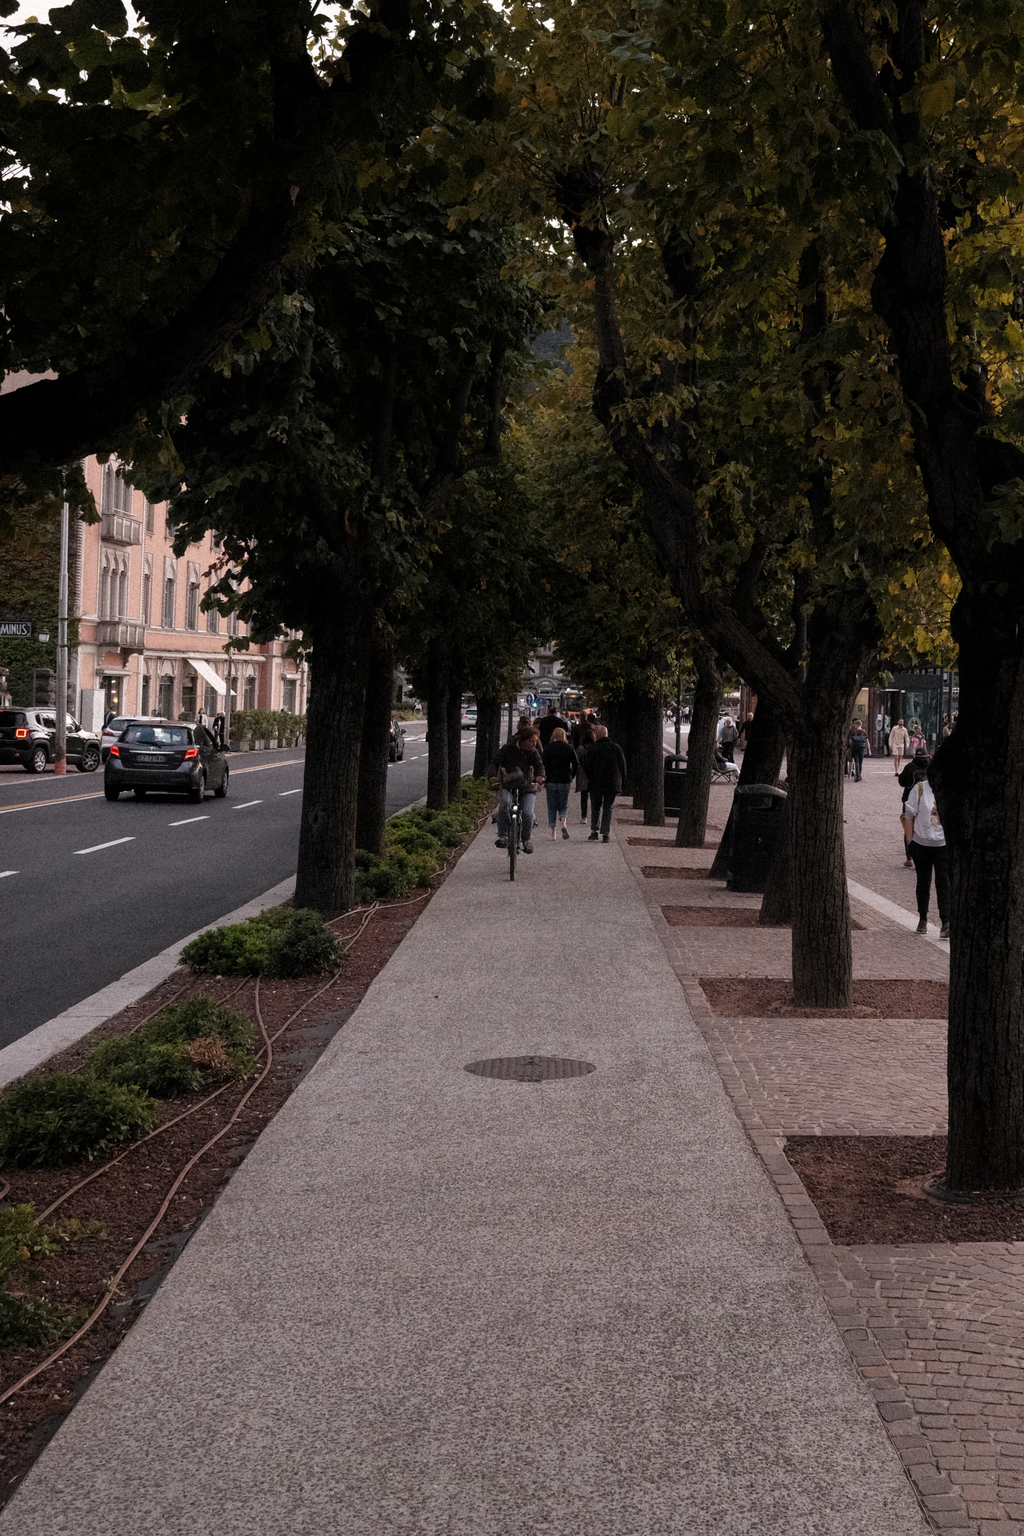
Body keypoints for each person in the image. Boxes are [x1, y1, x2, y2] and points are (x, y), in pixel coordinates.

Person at [902, 761, 950, 938]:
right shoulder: (920, 788)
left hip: (942, 845)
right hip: (921, 844)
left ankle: (946, 921)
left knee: (944, 883)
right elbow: (909, 814)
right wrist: (910, 841)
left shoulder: (948, 790)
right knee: (923, 882)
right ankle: (923, 918)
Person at [495, 725, 545, 854]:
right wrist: (492, 776)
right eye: (531, 741)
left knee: (528, 813)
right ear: (523, 740)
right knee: (505, 804)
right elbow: (495, 763)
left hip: (527, 788)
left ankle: (526, 840)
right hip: (508, 785)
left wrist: (540, 776)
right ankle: (503, 836)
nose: (534, 744)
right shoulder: (507, 749)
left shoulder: (533, 752)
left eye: (535, 741)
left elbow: (539, 765)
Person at [586, 723, 627, 842]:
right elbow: (623, 767)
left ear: (597, 736)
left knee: (595, 806)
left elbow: (587, 766)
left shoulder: (593, 748)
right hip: (612, 783)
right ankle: (605, 834)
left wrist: (591, 777)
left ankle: (594, 831)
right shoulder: (616, 748)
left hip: (596, 782)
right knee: (608, 807)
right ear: (606, 735)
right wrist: (621, 783)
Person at [542, 727, 579, 840]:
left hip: (551, 780)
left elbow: (543, 764)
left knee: (552, 806)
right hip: (564, 780)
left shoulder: (548, 748)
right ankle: (563, 823)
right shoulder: (569, 748)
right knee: (563, 805)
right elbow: (576, 764)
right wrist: (571, 776)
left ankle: (553, 834)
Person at [898, 748, 931, 867]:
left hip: (909, 801)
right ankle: (924, 856)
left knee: (909, 828)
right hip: (927, 802)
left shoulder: (910, 767)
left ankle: (909, 856)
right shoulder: (930, 767)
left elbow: (901, 782)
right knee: (926, 827)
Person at [574, 721, 594, 822]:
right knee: (595, 797)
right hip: (594, 773)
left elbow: (576, 762)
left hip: (583, 773)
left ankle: (584, 816)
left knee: (584, 795)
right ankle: (595, 817)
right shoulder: (596, 748)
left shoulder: (580, 748)